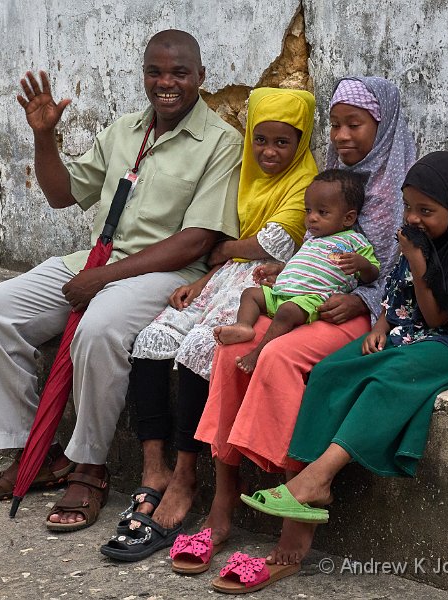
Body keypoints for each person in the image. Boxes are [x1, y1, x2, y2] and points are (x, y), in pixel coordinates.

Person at [0, 29, 243, 532]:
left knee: (100, 326)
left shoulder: (222, 142)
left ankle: (91, 467)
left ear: (201, 77)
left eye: (179, 72)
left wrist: (102, 279)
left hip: (165, 273)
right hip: (96, 260)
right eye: (154, 72)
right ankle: (40, 453)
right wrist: (44, 136)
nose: (166, 83)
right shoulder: (123, 130)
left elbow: (197, 241)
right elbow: (60, 194)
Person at [192, 76, 417, 574]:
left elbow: (405, 271)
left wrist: (360, 298)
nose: (341, 136)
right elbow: (319, 242)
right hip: (310, 300)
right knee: (231, 351)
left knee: (278, 355)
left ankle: (293, 533)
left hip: (363, 315)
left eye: (355, 124)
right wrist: (286, 268)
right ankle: (223, 506)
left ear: (383, 127)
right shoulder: (337, 178)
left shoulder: (404, 187)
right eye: (335, 125)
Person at [99, 87, 318, 561]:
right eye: (261, 140)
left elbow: (270, 245)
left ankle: (184, 475)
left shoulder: (307, 183)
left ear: (300, 143)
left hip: (261, 287)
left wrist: (225, 248)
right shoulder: (242, 174)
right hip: (219, 279)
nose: (270, 152)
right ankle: (152, 466)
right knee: (153, 338)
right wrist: (208, 274)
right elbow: (224, 239)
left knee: (202, 345)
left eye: (283, 143)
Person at [242, 152, 448, 553]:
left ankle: (317, 480)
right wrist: (381, 325)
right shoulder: (414, 236)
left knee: (387, 378)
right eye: (409, 207)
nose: (414, 218)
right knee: (328, 371)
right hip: (405, 330)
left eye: (426, 210)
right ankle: (309, 484)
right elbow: (393, 291)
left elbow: (435, 318)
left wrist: (417, 263)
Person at [214, 169, 380, 373]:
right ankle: (243, 326)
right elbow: (300, 262)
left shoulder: (355, 241)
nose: (312, 218)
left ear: (348, 218)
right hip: (283, 292)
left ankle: (257, 354)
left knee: (287, 312)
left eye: (322, 212)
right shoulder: (311, 239)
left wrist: (362, 264)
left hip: (312, 299)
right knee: (250, 294)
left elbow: (373, 275)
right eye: (308, 210)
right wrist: (278, 268)